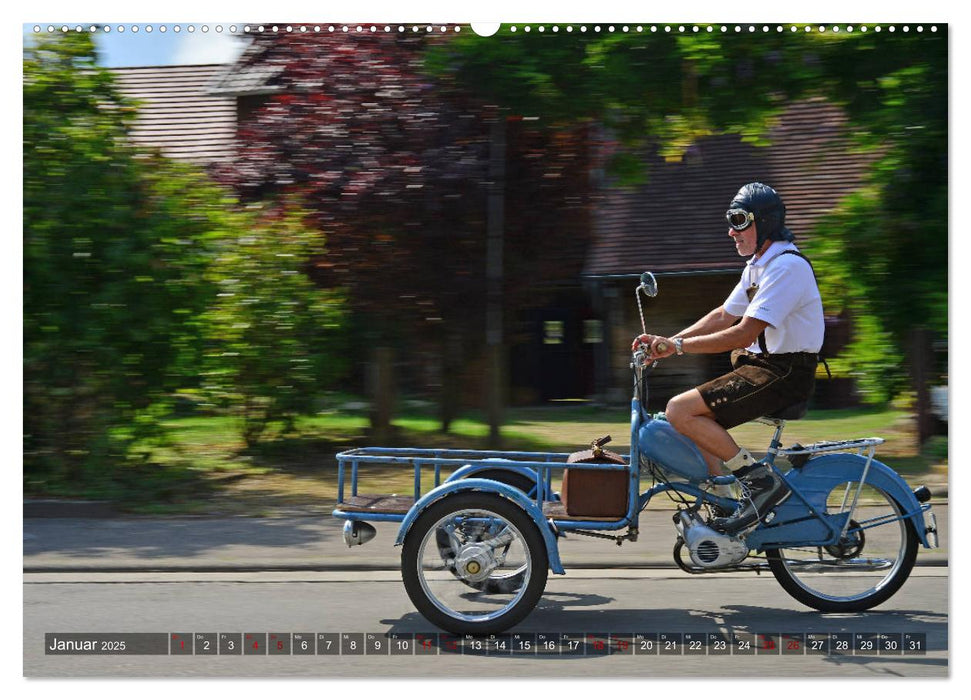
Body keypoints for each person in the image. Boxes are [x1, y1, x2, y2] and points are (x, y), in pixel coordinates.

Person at [632, 182, 823, 534]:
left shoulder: (786, 267)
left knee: (679, 410)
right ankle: (724, 502)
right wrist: (669, 341)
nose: (731, 231)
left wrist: (677, 348)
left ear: (763, 223)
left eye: (738, 220)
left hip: (782, 373)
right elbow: (724, 315)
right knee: (693, 420)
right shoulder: (759, 267)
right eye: (730, 221)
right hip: (763, 369)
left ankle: (760, 482)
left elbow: (742, 333)